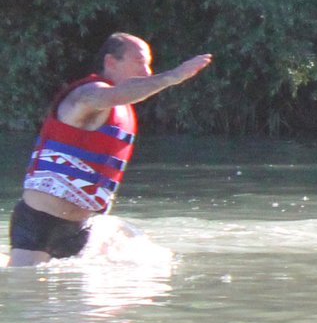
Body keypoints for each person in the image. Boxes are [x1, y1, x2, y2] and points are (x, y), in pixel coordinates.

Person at [11, 34, 212, 266]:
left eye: (149, 64)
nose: (147, 72)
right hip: (41, 222)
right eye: (139, 62)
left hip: (81, 228)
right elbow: (108, 96)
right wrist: (172, 77)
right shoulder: (87, 95)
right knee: (29, 292)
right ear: (111, 62)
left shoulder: (121, 109)